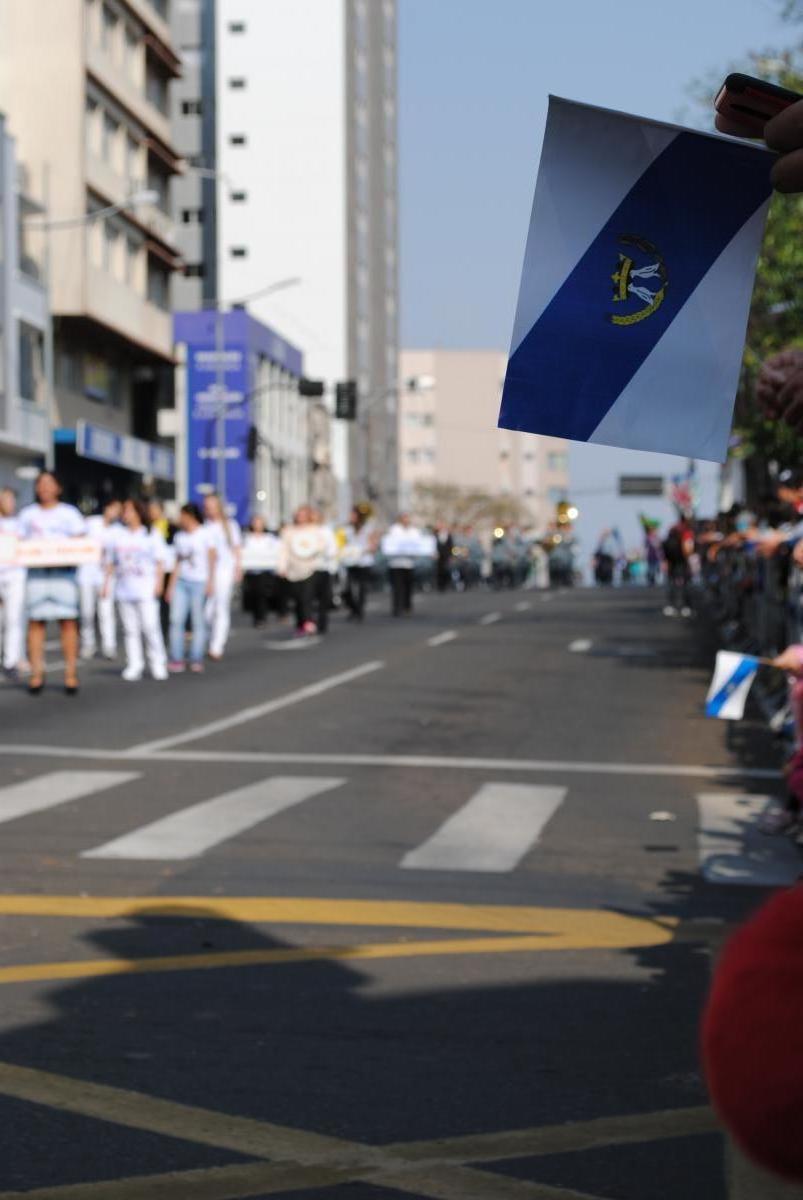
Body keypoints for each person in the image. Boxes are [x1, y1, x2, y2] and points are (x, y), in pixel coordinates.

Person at [17, 470, 86, 695]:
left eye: (50, 483)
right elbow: (17, 542)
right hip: (36, 574)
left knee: (67, 622)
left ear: (58, 488)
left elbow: (80, 541)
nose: (45, 488)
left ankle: (70, 672)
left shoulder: (69, 513)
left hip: (63, 574)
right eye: (41, 484)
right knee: (36, 623)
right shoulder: (28, 514)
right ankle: (37, 672)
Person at [104, 499, 168, 682]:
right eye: (124, 511)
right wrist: (106, 585)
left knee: (150, 626)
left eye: (130, 511)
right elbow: (110, 563)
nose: (126, 515)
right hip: (124, 589)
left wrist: (159, 583)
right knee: (130, 629)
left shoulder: (150, 534)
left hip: (145, 588)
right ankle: (134, 663)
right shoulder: (118, 536)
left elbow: (160, 561)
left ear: (139, 513)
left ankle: (158, 662)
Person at [166, 502, 216, 674]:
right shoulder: (180, 537)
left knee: (197, 620)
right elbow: (177, 562)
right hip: (182, 582)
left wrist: (211, 582)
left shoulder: (205, 534)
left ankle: (196, 657)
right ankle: (176, 657)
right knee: (176, 619)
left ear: (191, 516)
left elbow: (212, 560)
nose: (180, 519)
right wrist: (171, 586)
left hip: (200, 581)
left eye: (183, 516)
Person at [78, 498, 121, 660]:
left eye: (118, 511)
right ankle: (88, 644)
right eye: (114, 509)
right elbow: (77, 537)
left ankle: (109, 645)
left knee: (106, 611)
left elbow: (119, 555)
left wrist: (113, 567)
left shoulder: (118, 531)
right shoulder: (91, 522)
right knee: (86, 611)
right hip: (86, 572)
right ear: (107, 508)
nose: (115, 513)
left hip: (106, 576)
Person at [202, 492, 242, 661]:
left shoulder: (230, 525)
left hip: (224, 570)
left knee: (221, 607)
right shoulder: (203, 526)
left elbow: (236, 549)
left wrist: (238, 568)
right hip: (206, 572)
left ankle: (217, 645)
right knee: (206, 611)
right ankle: (210, 638)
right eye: (207, 506)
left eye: (212, 506)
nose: (209, 509)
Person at [278, 505, 329, 636]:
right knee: (297, 598)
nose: (300, 517)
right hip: (293, 570)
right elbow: (284, 550)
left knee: (307, 596)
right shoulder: (289, 531)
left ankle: (309, 621)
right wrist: (282, 567)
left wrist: (313, 549)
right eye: (299, 514)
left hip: (310, 567)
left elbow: (322, 545)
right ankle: (300, 623)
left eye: (303, 515)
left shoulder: (314, 530)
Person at [0, 487, 25, 681]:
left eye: (12, 499)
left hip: (16, 575)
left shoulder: (21, 524)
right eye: (6, 499)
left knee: (13, 619)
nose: (10, 503)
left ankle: (10, 661)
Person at [241, 515, 281, 627]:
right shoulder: (246, 538)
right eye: (255, 522)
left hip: (265, 571)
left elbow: (276, 552)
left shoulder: (270, 538)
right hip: (252, 571)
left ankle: (262, 617)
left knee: (262, 594)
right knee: (253, 594)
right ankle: (256, 616)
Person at [342, 504, 377, 621]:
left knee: (362, 587)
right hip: (350, 561)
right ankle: (354, 608)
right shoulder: (347, 529)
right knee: (347, 589)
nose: (350, 516)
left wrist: (364, 550)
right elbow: (342, 544)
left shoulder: (368, 528)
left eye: (353, 514)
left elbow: (373, 545)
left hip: (364, 562)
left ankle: (359, 611)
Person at [382, 513, 419, 617]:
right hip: (396, 563)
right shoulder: (394, 530)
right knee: (397, 587)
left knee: (408, 586)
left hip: (409, 563)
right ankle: (396, 607)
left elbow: (418, 545)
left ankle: (407, 606)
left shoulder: (413, 531)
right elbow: (388, 544)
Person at [662, 515, 695, 617]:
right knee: (686, 584)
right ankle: (686, 607)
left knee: (672, 584)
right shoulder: (686, 532)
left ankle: (671, 606)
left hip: (671, 561)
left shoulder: (673, 529)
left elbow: (665, 546)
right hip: (682, 561)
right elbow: (687, 549)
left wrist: (665, 561)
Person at [434, 521, 454, 592]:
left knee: (446, 570)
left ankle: (446, 584)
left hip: (446, 555)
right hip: (438, 555)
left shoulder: (448, 535)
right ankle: (440, 586)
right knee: (439, 571)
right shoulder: (435, 535)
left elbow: (451, 546)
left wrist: (451, 556)